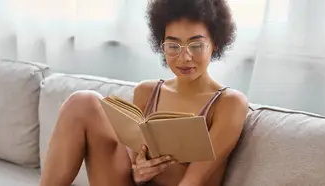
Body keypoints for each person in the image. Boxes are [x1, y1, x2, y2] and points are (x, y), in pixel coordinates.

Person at [39, 0, 248, 185]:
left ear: (215, 44)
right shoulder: (147, 92)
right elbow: (132, 167)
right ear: (162, 46)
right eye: (173, 45)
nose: (184, 57)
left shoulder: (229, 103)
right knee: (83, 101)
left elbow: (195, 180)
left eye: (196, 45)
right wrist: (139, 173)